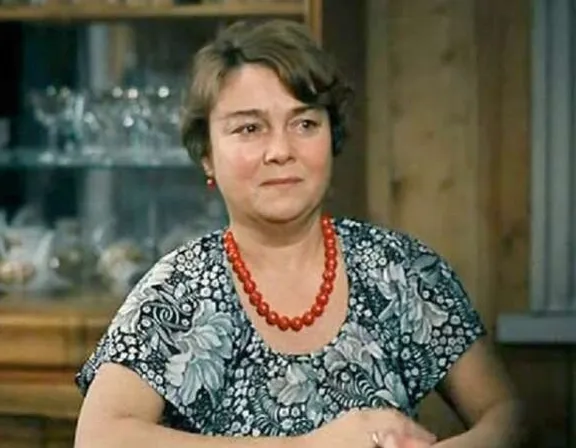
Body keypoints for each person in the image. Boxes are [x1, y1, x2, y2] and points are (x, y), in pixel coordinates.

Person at [74, 19, 524, 448]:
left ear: (333, 137)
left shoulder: (399, 268)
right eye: (249, 128)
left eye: (304, 124)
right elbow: (98, 438)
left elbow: (506, 412)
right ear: (207, 155)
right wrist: (305, 445)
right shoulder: (180, 290)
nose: (280, 151)